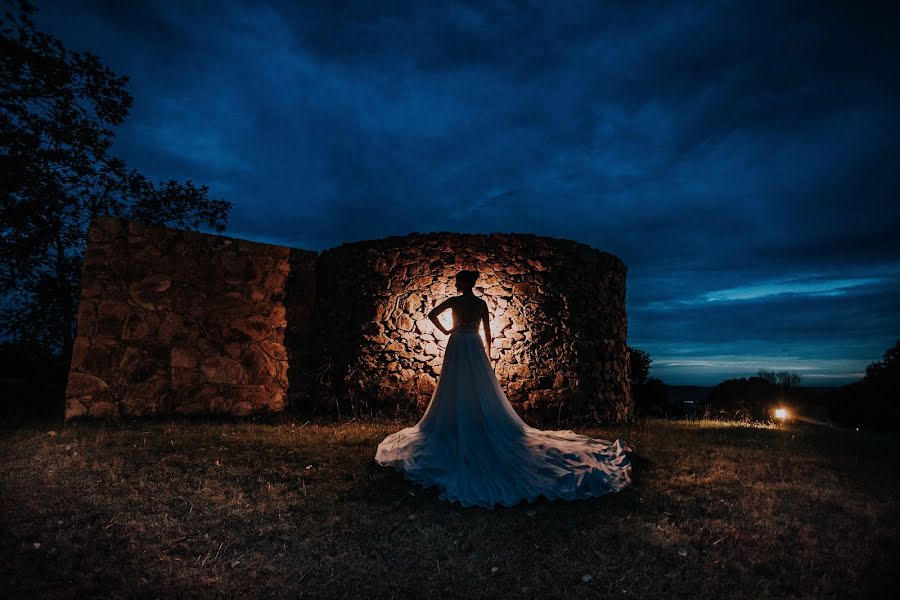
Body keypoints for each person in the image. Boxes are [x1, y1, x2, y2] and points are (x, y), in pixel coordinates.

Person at [374, 269, 632, 509]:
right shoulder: (481, 304)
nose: (456, 285)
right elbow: (487, 333)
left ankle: (457, 420)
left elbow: (432, 315)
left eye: (458, 281)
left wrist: (448, 330)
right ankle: (469, 418)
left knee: (455, 384)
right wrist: (487, 354)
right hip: (473, 343)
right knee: (474, 385)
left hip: (457, 342)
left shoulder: (455, 301)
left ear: (465, 284)